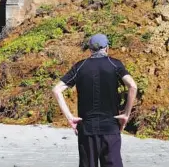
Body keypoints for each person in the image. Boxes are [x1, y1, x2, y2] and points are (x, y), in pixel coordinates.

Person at [52, 33, 137, 167]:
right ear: (107, 48)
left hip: (87, 129)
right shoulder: (115, 64)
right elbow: (132, 86)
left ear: (90, 50)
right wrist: (126, 114)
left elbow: (57, 90)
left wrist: (69, 117)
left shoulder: (80, 66)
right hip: (110, 127)